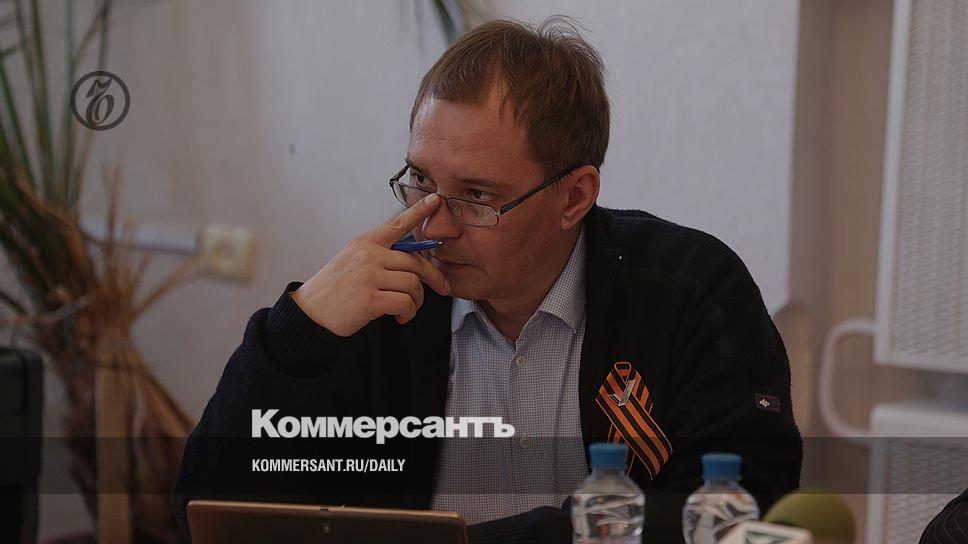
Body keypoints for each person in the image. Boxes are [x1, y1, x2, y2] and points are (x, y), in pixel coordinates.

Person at [174, 17, 802, 543]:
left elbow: (742, 506)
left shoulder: (688, 290)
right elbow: (212, 511)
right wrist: (300, 330)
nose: (434, 225)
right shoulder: (375, 300)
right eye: (421, 181)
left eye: (476, 195)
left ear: (574, 197)